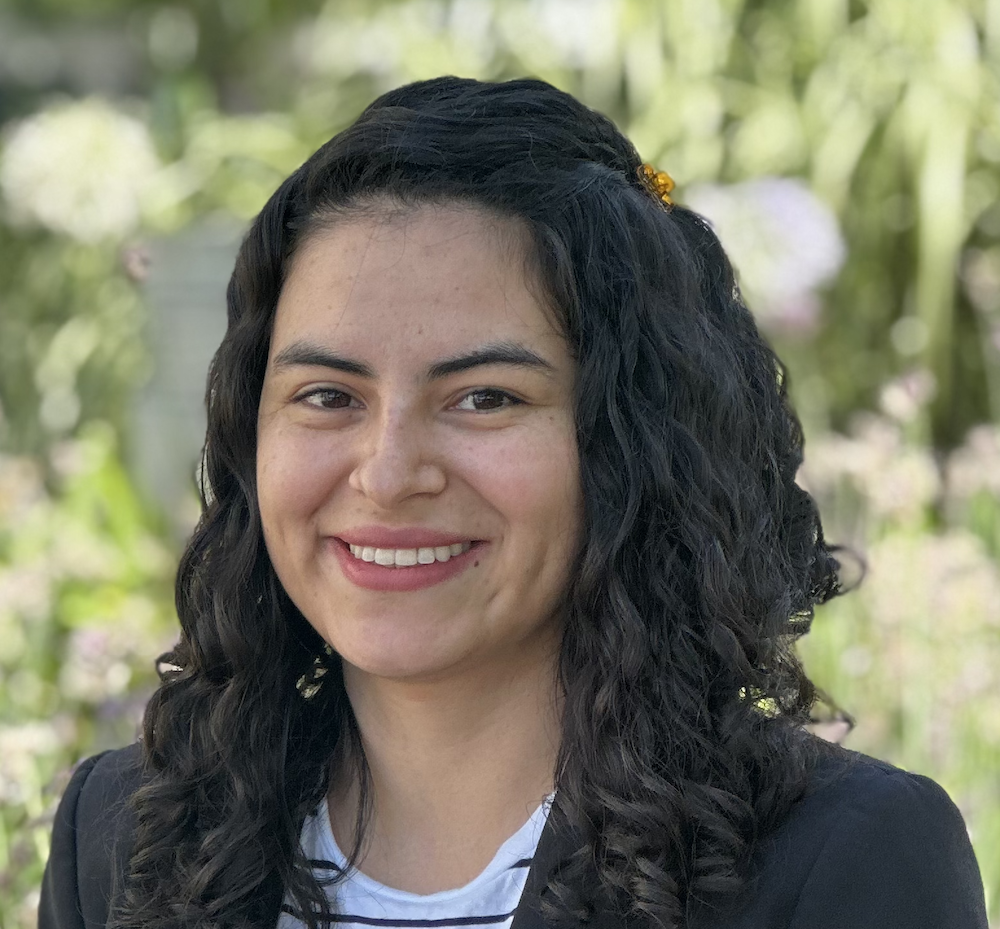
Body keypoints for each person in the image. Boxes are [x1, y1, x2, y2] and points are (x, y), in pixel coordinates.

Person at [39, 76, 988, 929]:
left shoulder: (843, 860)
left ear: (631, 443)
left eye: (484, 397)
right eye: (328, 396)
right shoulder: (117, 837)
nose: (387, 470)